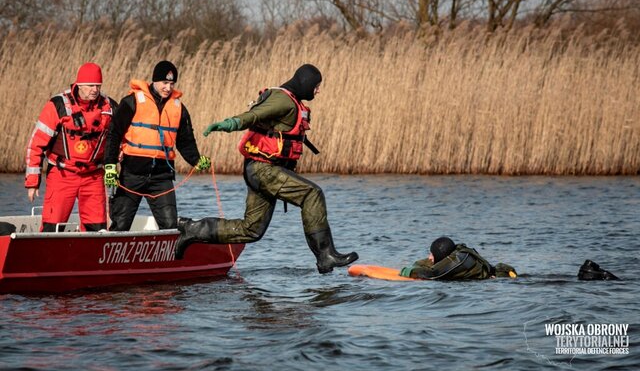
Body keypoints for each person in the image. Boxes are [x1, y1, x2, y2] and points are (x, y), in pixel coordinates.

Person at [174, 64, 358, 274]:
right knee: (312, 194)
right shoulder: (282, 100)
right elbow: (255, 115)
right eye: (316, 86)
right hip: (263, 170)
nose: (318, 90)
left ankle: (193, 230)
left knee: (252, 230)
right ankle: (325, 256)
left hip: (261, 169)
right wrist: (231, 123)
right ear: (306, 83)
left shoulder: (293, 101)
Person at [103, 60, 210, 231]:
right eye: (164, 83)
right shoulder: (132, 101)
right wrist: (109, 166)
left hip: (162, 176)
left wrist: (196, 160)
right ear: (154, 81)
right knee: (120, 224)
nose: (168, 87)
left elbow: (186, 140)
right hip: (132, 173)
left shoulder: (179, 108)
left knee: (169, 225)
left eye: (172, 83)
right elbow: (114, 134)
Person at [24, 63, 117, 232]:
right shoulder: (59, 105)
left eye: (98, 86)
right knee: (52, 226)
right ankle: (49, 257)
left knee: (97, 229)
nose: (95, 90)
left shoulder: (109, 107)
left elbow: (122, 141)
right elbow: (36, 144)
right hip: (62, 174)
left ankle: (89, 257)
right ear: (79, 84)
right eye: (90, 85)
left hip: (94, 176)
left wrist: (115, 169)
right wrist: (32, 183)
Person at [399, 236, 517, 280]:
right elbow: (428, 264)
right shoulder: (456, 253)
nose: (429, 257)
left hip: (499, 279)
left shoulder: (457, 260)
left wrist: (406, 271)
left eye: (431, 254)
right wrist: (416, 265)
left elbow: (433, 274)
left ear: (441, 254)